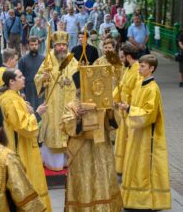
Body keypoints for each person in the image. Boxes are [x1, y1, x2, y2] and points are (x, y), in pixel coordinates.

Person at [61, 70, 122, 212]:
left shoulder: (101, 102)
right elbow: (65, 125)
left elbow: (113, 123)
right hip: (82, 153)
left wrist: (111, 108)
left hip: (101, 151)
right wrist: (79, 118)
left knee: (103, 180)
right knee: (84, 182)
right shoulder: (72, 105)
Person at [119, 55, 171, 211]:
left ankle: (147, 201)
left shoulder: (153, 88)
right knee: (134, 165)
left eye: (143, 66)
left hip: (148, 137)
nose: (139, 68)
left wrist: (129, 109)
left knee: (144, 168)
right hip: (137, 133)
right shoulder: (141, 83)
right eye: (139, 65)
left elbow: (149, 114)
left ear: (151, 69)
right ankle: (132, 199)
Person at [0, 70, 52, 211]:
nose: (24, 78)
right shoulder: (10, 99)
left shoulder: (14, 96)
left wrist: (26, 108)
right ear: (11, 81)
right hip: (20, 150)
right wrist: (37, 114)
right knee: (26, 186)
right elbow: (22, 126)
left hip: (25, 146)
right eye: (20, 76)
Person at [34, 31, 78, 171]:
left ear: (67, 46)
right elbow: (38, 78)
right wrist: (44, 77)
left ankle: (68, 161)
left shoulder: (72, 60)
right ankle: (53, 163)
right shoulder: (48, 59)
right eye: (58, 45)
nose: (61, 48)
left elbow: (80, 78)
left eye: (63, 45)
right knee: (54, 130)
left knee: (69, 131)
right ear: (54, 45)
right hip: (53, 104)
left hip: (69, 104)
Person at [113, 44, 140, 175]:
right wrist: (110, 100)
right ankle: (122, 169)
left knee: (130, 143)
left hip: (131, 113)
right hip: (123, 112)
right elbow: (121, 87)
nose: (121, 60)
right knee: (122, 141)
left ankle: (130, 170)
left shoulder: (138, 71)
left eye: (122, 57)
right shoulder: (128, 69)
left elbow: (138, 93)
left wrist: (129, 107)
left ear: (129, 56)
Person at [18, 36, 45, 109]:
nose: (34, 47)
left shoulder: (44, 59)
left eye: (36, 44)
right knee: (29, 110)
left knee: (40, 110)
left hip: (40, 89)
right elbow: (19, 77)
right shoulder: (23, 60)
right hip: (28, 89)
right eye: (32, 45)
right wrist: (22, 91)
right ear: (28, 45)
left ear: (38, 45)